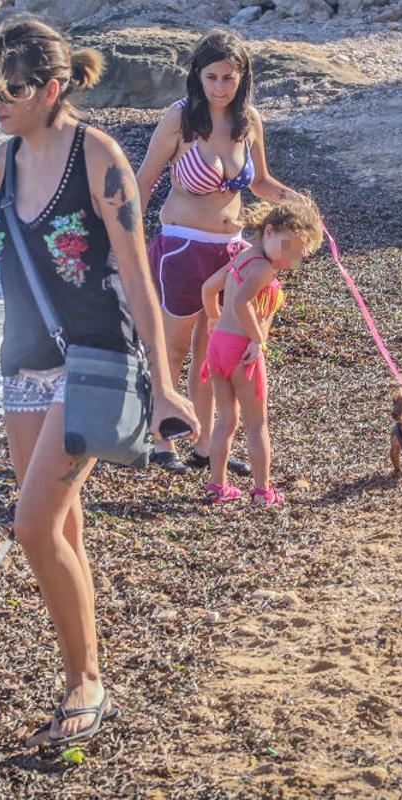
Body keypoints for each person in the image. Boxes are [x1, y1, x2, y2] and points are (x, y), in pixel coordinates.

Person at [0, 19, 199, 745]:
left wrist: (164, 386)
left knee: (32, 527)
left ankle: (85, 683)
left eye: (6, 88)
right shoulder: (2, 162)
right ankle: (85, 668)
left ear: (51, 86)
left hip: (96, 359)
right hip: (23, 364)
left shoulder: (98, 156)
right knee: (62, 528)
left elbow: (137, 274)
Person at [135, 30, 300, 476]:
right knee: (172, 348)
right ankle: (161, 439)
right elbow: (144, 181)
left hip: (231, 251)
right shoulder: (180, 120)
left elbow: (262, 183)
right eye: (212, 77)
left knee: (213, 353)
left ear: (242, 77)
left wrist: (299, 202)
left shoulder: (249, 122)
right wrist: (123, 238)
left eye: (229, 77)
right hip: (182, 247)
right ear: (198, 76)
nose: (220, 87)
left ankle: (205, 445)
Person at [199, 199, 323, 507]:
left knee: (225, 419)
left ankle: (216, 486)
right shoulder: (264, 268)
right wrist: (257, 340)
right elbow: (241, 304)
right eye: (289, 249)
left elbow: (208, 288)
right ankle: (262, 490)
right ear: (268, 231)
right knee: (257, 423)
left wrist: (214, 319)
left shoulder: (242, 257)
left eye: (299, 254)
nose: (291, 259)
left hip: (218, 347)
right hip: (242, 349)